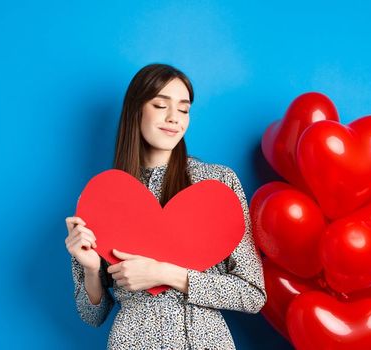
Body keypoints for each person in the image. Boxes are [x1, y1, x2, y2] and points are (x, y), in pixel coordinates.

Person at [64, 63, 266, 349]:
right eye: (161, 105)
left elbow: (252, 294)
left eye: (183, 109)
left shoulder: (217, 183)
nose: (174, 118)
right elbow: (92, 315)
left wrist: (164, 274)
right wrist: (90, 269)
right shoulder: (103, 197)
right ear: (136, 111)